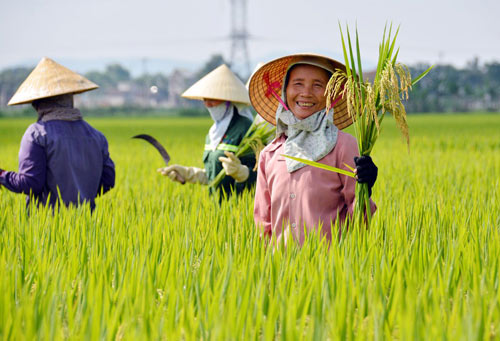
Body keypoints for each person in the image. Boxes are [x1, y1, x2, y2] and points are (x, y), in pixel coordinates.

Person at [248, 53, 378, 245]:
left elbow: (360, 220)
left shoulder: (342, 146)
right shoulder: (270, 154)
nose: (306, 93)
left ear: (331, 94)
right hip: (279, 270)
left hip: (328, 269)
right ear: (285, 91)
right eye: (298, 84)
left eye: (318, 85)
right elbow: (263, 225)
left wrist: (365, 190)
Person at [0, 57, 115, 210]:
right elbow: (107, 180)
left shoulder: (37, 134)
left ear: (38, 103)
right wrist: (80, 196)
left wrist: (2, 175)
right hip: (88, 226)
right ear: (69, 99)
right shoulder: (96, 136)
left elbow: (30, 183)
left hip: (45, 227)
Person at [158, 64, 256, 197]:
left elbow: (262, 175)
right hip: (216, 207)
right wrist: (189, 174)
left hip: (240, 207)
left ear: (228, 100)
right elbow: (213, 175)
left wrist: (243, 173)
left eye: (213, 99)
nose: (207, 104)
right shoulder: (213, 133)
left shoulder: (245, 128)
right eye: (205, 99)